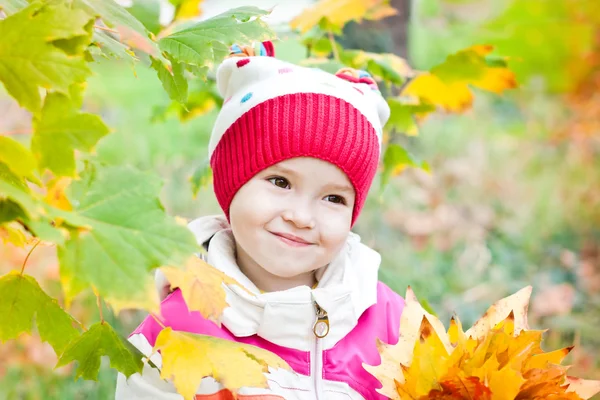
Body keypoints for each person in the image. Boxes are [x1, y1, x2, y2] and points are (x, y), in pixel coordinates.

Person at [115, 41, 405, 400]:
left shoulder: (389, 323)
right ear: (231, 183)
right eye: (280, 182)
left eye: (333, 198)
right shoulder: (178, 330)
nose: (301, 217)